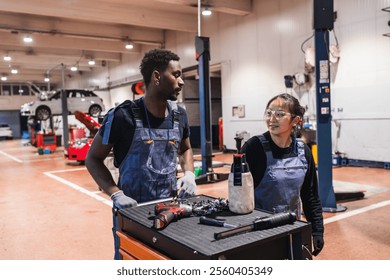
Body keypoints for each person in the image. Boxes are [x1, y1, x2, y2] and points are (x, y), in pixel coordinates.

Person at [85, 48, 197, 259]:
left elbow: (186, 148)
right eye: (176, 74)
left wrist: (189, 173)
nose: (181, 82)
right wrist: (115, 193)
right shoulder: (122, 116)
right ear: (156, 77)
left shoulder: (179, 114)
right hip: (132, 214)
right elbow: (92, 158)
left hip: (171, 211)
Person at [241, 93, 324, 257]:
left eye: (279, 114)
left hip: (291, 227)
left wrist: (317, 230)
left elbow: (310, 195)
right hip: (258, 231)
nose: (272, 118)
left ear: (295, 120)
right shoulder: (253, 148)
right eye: (269, 112)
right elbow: (240, 197)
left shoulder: (303, 151)